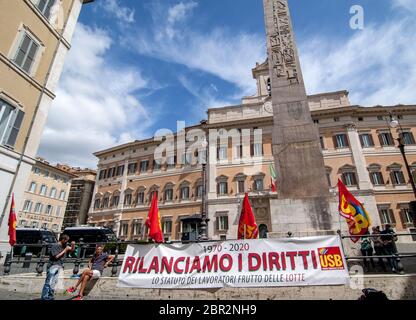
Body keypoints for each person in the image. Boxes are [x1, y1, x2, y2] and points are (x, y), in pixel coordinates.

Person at [41, 234, 75, 300]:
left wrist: (73, 245)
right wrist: (65, 250)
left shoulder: (64, 245)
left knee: (53, 283)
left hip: (59, 265)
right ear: (63, 239)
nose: (67, 242)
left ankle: (50, 297)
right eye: (66, 241)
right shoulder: (55, 246)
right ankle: (44, 297)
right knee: (48, 282)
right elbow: (56, 256)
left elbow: (72, 250)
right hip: (53, 265)